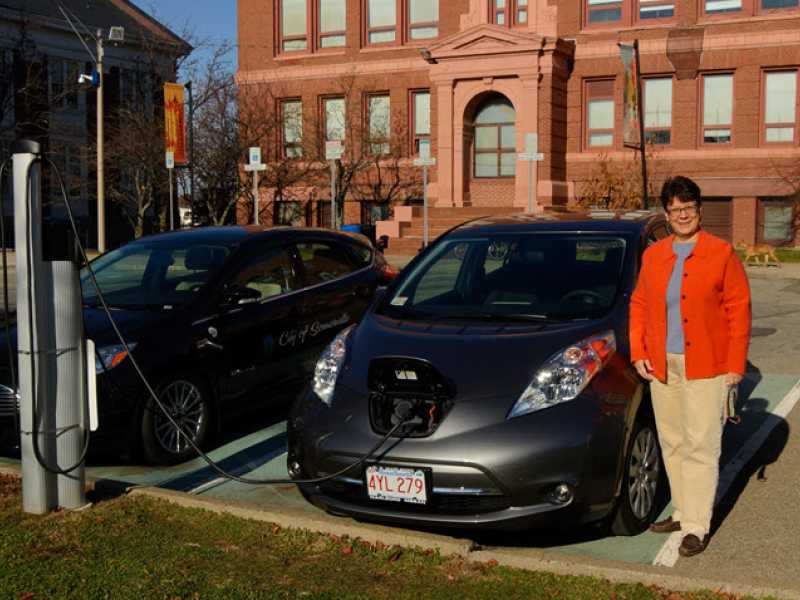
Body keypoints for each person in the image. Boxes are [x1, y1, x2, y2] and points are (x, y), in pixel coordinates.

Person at [629, 176, 751, 557]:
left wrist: (734, 366)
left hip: (708, 366)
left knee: (701, 444)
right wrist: (638, 351)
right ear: (666, 214)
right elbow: (640, 305)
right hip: (663, 366)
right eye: (674, 209)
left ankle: (697, 525)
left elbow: (739, 311)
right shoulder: (654, 255)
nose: (682, 215)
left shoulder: (721, 253)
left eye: (688, 208)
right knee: (673, 441)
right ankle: (683, 510)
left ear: (699, 210)